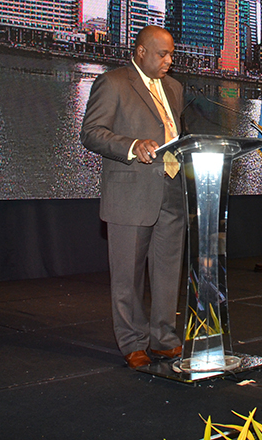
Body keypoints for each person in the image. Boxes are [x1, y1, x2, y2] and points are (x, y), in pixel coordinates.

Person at [80, 25, 185, 369]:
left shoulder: (174, 88)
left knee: (168, 272)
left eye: (171, 54)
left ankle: (164, 339)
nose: (169, 61)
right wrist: (131, 145)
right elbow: (91, 133)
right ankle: (132, 341)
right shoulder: (113, 83)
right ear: (141, 52)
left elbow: (174, 134)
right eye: (163, 54)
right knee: (128, 276)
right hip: (131, 194)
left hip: (172, 190)